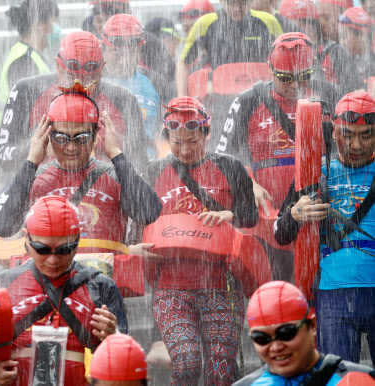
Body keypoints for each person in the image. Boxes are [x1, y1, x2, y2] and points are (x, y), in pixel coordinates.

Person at [129, 97, 258, 386]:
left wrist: (228, 214)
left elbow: (250, 217)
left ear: (206, 133)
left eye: (192, 141)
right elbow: (135, 232)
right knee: (186, 363)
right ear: (167, 138)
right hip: (171, 286)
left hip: (221, 285)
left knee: (222, 374)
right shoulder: (152, 172)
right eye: (177, 143)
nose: (185, 150)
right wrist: (138, 250)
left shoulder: (230, 167)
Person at [215, 32, 340, 281]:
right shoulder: (248, 101)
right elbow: (221, 158)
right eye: (285, 78)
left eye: (304, 76)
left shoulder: (330, 96)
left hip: (320, 216)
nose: (295, 85)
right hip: (269, 223)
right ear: (270, 69)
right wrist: (248, 183)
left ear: (313, 68)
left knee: (320, 298)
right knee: (277, 300)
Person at [0, 81, 162, 249]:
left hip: (102, 276)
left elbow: (150, 213)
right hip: (51, 274)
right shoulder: (33, 178)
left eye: (81, 138)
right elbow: (2, 227)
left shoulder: (116, 175)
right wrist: (31, 162)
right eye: (62, 139)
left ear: (95, 136)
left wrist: (117, 155)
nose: (71, 147)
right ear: (48, 136)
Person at [0, 195, 128, 385]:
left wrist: (114, 337)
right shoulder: (4, 284)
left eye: (64, 249)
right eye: (42, 249)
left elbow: (130, 364)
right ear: (26, 237)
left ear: (78, 238)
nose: (53, 260)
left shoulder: (100, 286)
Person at [275, 91, 375, 365]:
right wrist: (295, 214)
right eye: (347, 134)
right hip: (333, 294)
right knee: (339, 379)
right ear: (333, 132)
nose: (356, 144)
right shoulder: (313, 173)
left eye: (366, 135)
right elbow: (279, 233)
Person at [0, 31, 148, 175]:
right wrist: (36, 148)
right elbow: (4, 159)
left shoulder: (124, 100)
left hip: (101, 195)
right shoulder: (26, 90)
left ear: (102, 70)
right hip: (44, 197)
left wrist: (115, 154)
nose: (79, 84)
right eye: (71, 76)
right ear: (57, 66)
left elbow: (140, 169)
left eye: (89, 78)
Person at [233, 281, 375, 385]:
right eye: (261, 338)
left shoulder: (358, 380)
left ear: (312, 326)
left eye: (286, 333)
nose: (275, 347)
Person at [101, 14, 175, 159]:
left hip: (146, 167)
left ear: (141, 50)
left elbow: (173, 130)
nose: (124, 61)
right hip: (104, 171)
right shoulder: (92, 84)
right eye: (117, 53)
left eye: (132, 53)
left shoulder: (156, 82)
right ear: (103, 50)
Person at [176, 0, 283, 96]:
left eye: (242, 2)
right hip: (220, 97)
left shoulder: (268, 21)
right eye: (231, 2)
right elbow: (183, 64)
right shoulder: (205, 24)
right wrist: (182, 98)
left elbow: (285, 56)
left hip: (260, 94)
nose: (236, 8)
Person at [0, 0, 59, 134]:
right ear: (39, 25)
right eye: (53, 23)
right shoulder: (24, 60)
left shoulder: (32, 57)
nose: (55, 30)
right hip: (19, 144)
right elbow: (28, 111)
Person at [278, 0, 363, 93]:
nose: (284, 32)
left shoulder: (335, 51)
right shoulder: (278, 54)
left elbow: (356, 90)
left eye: (288, 25)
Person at [81, 0, 175, 82]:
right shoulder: (90, 45)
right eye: (99, 20)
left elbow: (169, 76)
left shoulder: (146, 42)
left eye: (112, 21)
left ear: (129, 14)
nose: (105, 26)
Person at [338, 7, 375, 84]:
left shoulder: (372, 63)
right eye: (340, 37)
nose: (341, 43)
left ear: (362, 34)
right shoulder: (344, 62)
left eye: (344, 37)